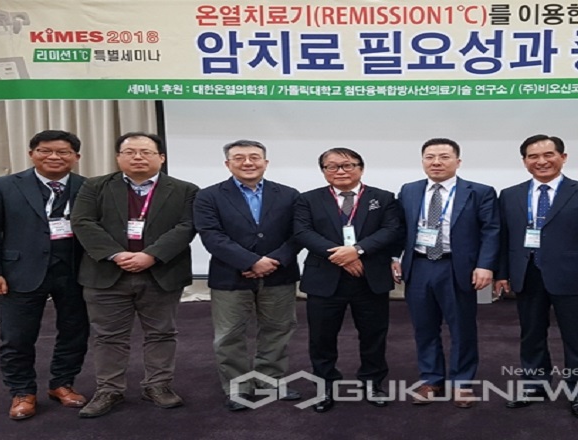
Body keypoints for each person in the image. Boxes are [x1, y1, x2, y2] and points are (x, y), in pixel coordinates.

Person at [71, 132, 199, 418]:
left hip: (161, 272)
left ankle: (158, 385)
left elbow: (187, 226)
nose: (138, 157)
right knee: (108, 336)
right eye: (130, 152)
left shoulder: (185, 190)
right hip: (106, 273)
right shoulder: (94, 186)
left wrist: (150, 255)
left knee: (162, 333)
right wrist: (116, 254)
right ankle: (109, 389)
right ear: (118, 157)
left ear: (161, 157)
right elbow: (82, 222)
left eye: (146, 152)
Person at [0, 129, 90, 420]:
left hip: (75, 271)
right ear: (31, 154)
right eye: (45, 151)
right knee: (17, 337)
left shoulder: (89, 187)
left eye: (63, 152)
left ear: (76, 157)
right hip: (20, 271)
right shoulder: (2, 186)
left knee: (75, 332)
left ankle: (62, 383)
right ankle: (22, 391)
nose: (54, 157)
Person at [493, 135, 578, 420]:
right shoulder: (510, 195)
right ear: (524, 161)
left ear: (563, 157)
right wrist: (502, 273)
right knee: (531, 334)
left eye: (548, 154)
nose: (541, 161)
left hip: (572, 277)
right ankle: (535, 386)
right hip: (527, 274)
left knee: (577, 338)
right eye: (533, 156)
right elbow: (504, 238)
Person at [193, 140, 302, 411]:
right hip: (230, 275)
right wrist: (252, 261)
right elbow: (211, 236)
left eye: (254, 157)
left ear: (266, 162)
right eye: (239, 158)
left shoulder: (289, 195)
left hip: (279, 274)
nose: (248, 162)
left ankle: (270, 382)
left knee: (277, 330)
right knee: (229, 335)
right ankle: (237, 388)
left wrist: (273, 261)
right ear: (227, 164)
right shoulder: (208, 196)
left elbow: (298, 234)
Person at [293, 147, 403, 413]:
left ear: (360, 168)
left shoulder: (383, 198)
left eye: (347, 165)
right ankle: (325, 386)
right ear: (323, 171)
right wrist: (343, 257)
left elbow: (391, 230)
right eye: (331, 166)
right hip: (325, 278)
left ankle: (373, 382)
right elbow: (302, 232)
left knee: (374, 334)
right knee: (321, 337)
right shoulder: (308, 199)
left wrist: (357, 251)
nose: (340, 171)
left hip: (369, 277)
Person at [392, 137, 499, 409]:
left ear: (458, 162)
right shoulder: (409, 190)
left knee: (462, 328)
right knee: (424, 328)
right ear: (422, 161)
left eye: (444, 157)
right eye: (430, 157)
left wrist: (485, 265)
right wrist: (394, 257)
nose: (436, 162)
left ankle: (462, 383)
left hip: (457, 267)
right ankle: (431, 380)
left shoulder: (480, 192)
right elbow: (398, 228)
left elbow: (491, 231)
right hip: (419, 266)